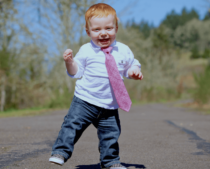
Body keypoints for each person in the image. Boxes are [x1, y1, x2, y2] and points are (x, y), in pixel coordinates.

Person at [49, 3, 143, 169]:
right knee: (72, 126)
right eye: (97, 30)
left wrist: (134, 71)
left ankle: (110, 162)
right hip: (85, 100)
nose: (104, 33)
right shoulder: (86, 50)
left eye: (108, 28)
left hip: (109, 104)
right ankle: (60, 152)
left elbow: (130, 66)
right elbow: (76, 72)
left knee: (111, 135)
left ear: (116, 28)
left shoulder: (123, 50)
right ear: (88, 31)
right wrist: (69, 62)